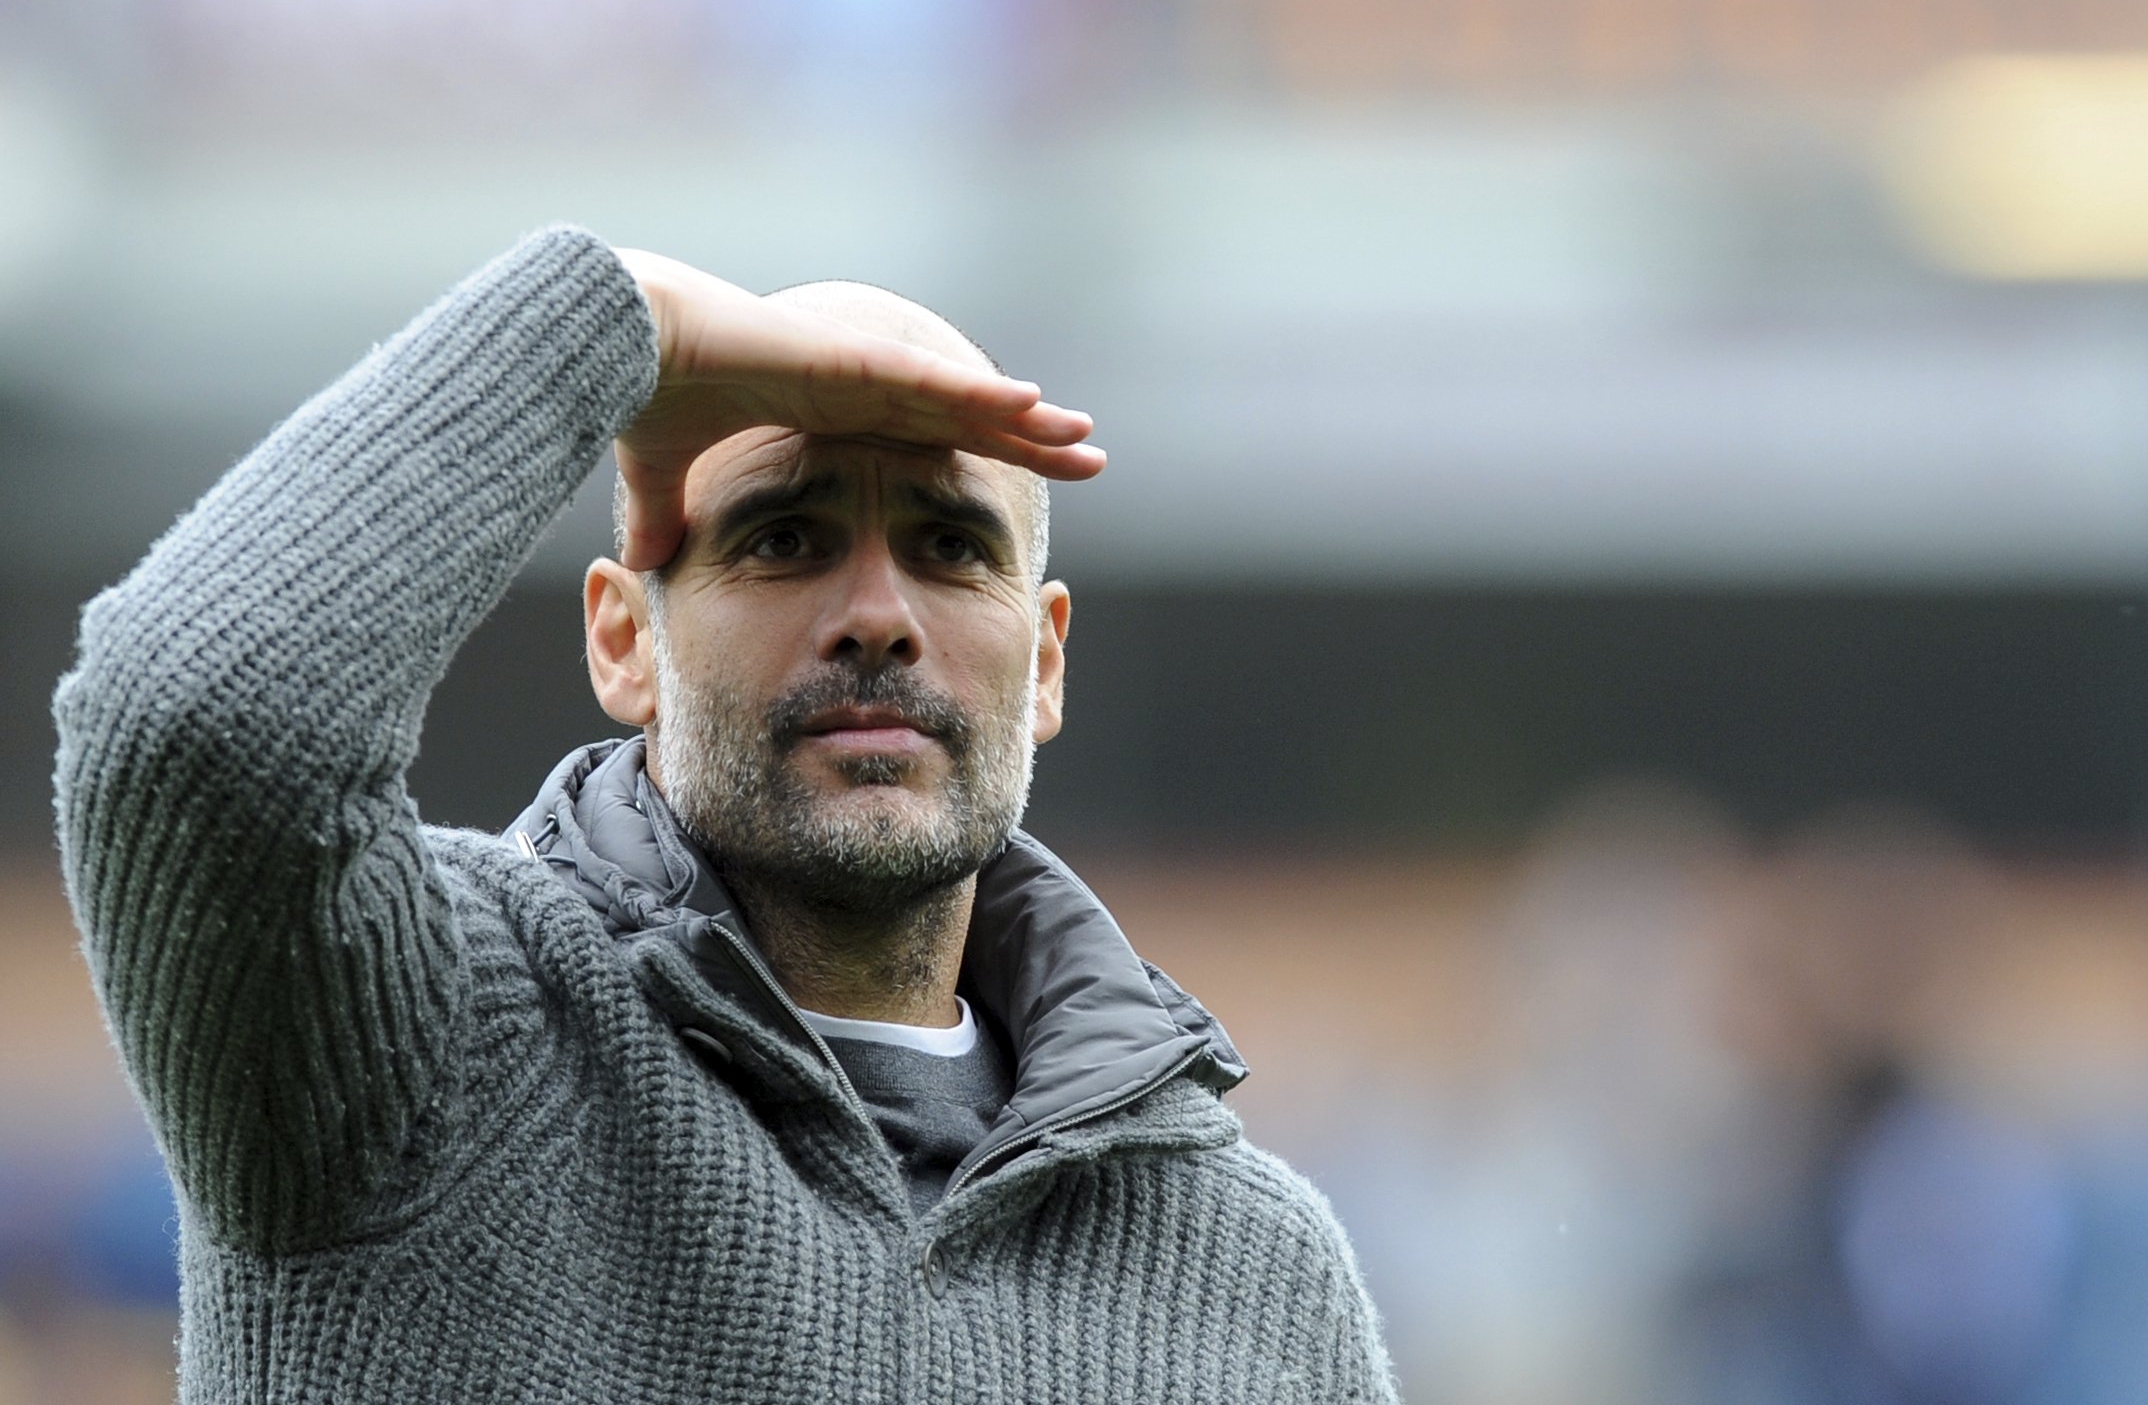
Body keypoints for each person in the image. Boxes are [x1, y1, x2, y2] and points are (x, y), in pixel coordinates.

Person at [53, 226, 1395, 1403]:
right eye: (785, 538)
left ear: (1043, 661)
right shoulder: (417, 1043)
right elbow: (196, 715)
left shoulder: (1252, 1270)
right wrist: (625, 320)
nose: (878, 616)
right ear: (625, 640)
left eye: (950, 548)